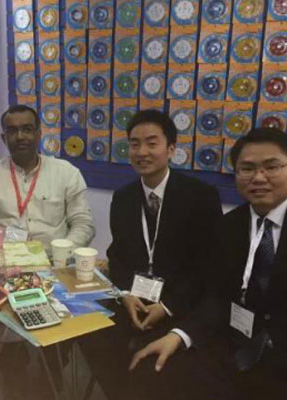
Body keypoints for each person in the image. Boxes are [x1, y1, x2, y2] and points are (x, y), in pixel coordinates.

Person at [128, 128, 287, 400]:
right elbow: (217, 296)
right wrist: (179, 334)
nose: (259, 177)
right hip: (237, 349)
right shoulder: (228, 226)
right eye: (247, 168)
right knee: (153, 369)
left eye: (271, 167)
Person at [79, 109, 222, 400]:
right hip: (134, 298)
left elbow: (207, 267)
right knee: (89, 337)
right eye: (134, 144)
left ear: (171, 149)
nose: (142, 152)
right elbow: (118, 254)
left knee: (156, 368)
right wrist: (125, 294)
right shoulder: (123, 197)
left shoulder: (200, 196)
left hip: (180, 303)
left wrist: (167, 307)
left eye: (152, 143)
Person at [0, 104, 95, 251]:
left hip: (53, 259)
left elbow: (83, 223)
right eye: (12, 131)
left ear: (38, 134)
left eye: (27, 130)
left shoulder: (67, 173)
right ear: (4, 138)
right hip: (4, 259)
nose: (20, 137)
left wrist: (63, 253)